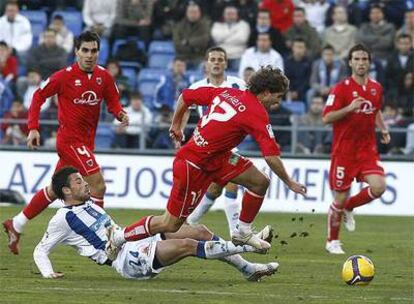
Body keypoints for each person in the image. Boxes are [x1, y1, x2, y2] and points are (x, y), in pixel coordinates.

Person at [114, 66, 307, 252]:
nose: (278, 102)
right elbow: (271, 156)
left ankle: (242, 232)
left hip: (217, 157)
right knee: (170, 224)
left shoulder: (228, 92)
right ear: (265, 92)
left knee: (260, 182)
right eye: (278, 97)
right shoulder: (256, 113)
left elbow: (186, 96)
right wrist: (289, 182)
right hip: (193, 164)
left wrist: (176, 125)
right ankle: (119, 237)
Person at [2, 31, 129, 255]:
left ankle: (17, 224)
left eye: (94, 51)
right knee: (98, 186)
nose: (90, 55)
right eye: (85, 50)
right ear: (76, 51)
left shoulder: (104, 77)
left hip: (86, 144)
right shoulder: (63, 76)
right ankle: (101, 240)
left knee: (55, 189)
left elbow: (113, 101)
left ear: (99, 52)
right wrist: (33, 127)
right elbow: (38, 96)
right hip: (70, 141)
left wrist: (120, 113)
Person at [34, 167, 279, 282]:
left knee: (200, 231)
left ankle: (248, 269)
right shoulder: (62, 219)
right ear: (66, 190)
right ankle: (250, 246)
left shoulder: (89, 204)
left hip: (134, 243)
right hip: (126, 261)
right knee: (187, 244)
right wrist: (47, 273)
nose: (86, 183)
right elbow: (40, 250)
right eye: (78, 181)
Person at [323, 44, 390, 254]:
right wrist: (349, 107)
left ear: (369, 63)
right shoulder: (341, 88)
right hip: (344, 152)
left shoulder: (376, 88)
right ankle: (332, 241)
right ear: (350, 62)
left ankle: (349, 207)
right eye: (357, 59)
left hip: (367, 150)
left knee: (379, 187)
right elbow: (326, 117)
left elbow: (375, 110)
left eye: (364, 59)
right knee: (339, 197)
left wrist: (384, 128)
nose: (361, 63)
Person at [185, 47, 247, 236]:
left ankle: (234, 231)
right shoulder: (196, 87)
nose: (217, 62)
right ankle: (190, 221)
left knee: (228, 182)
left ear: (226, 63)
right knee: (214, 188)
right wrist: (179, 129)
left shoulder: (238, 85)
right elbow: (184, 107)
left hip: (229, 142)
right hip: (206, 144)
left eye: (221, 59)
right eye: (213, 59)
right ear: (206, 63)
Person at [211, 5, 251, 70]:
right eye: (228, 14)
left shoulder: (244, 25)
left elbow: (242, 39)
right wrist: (233, 33)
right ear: (223, 15)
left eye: (232, 14)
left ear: (237, 15)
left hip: (238, 55)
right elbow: (216, 38)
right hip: (221, 56)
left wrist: (223, 40)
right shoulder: (217, 25)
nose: (230, 16)